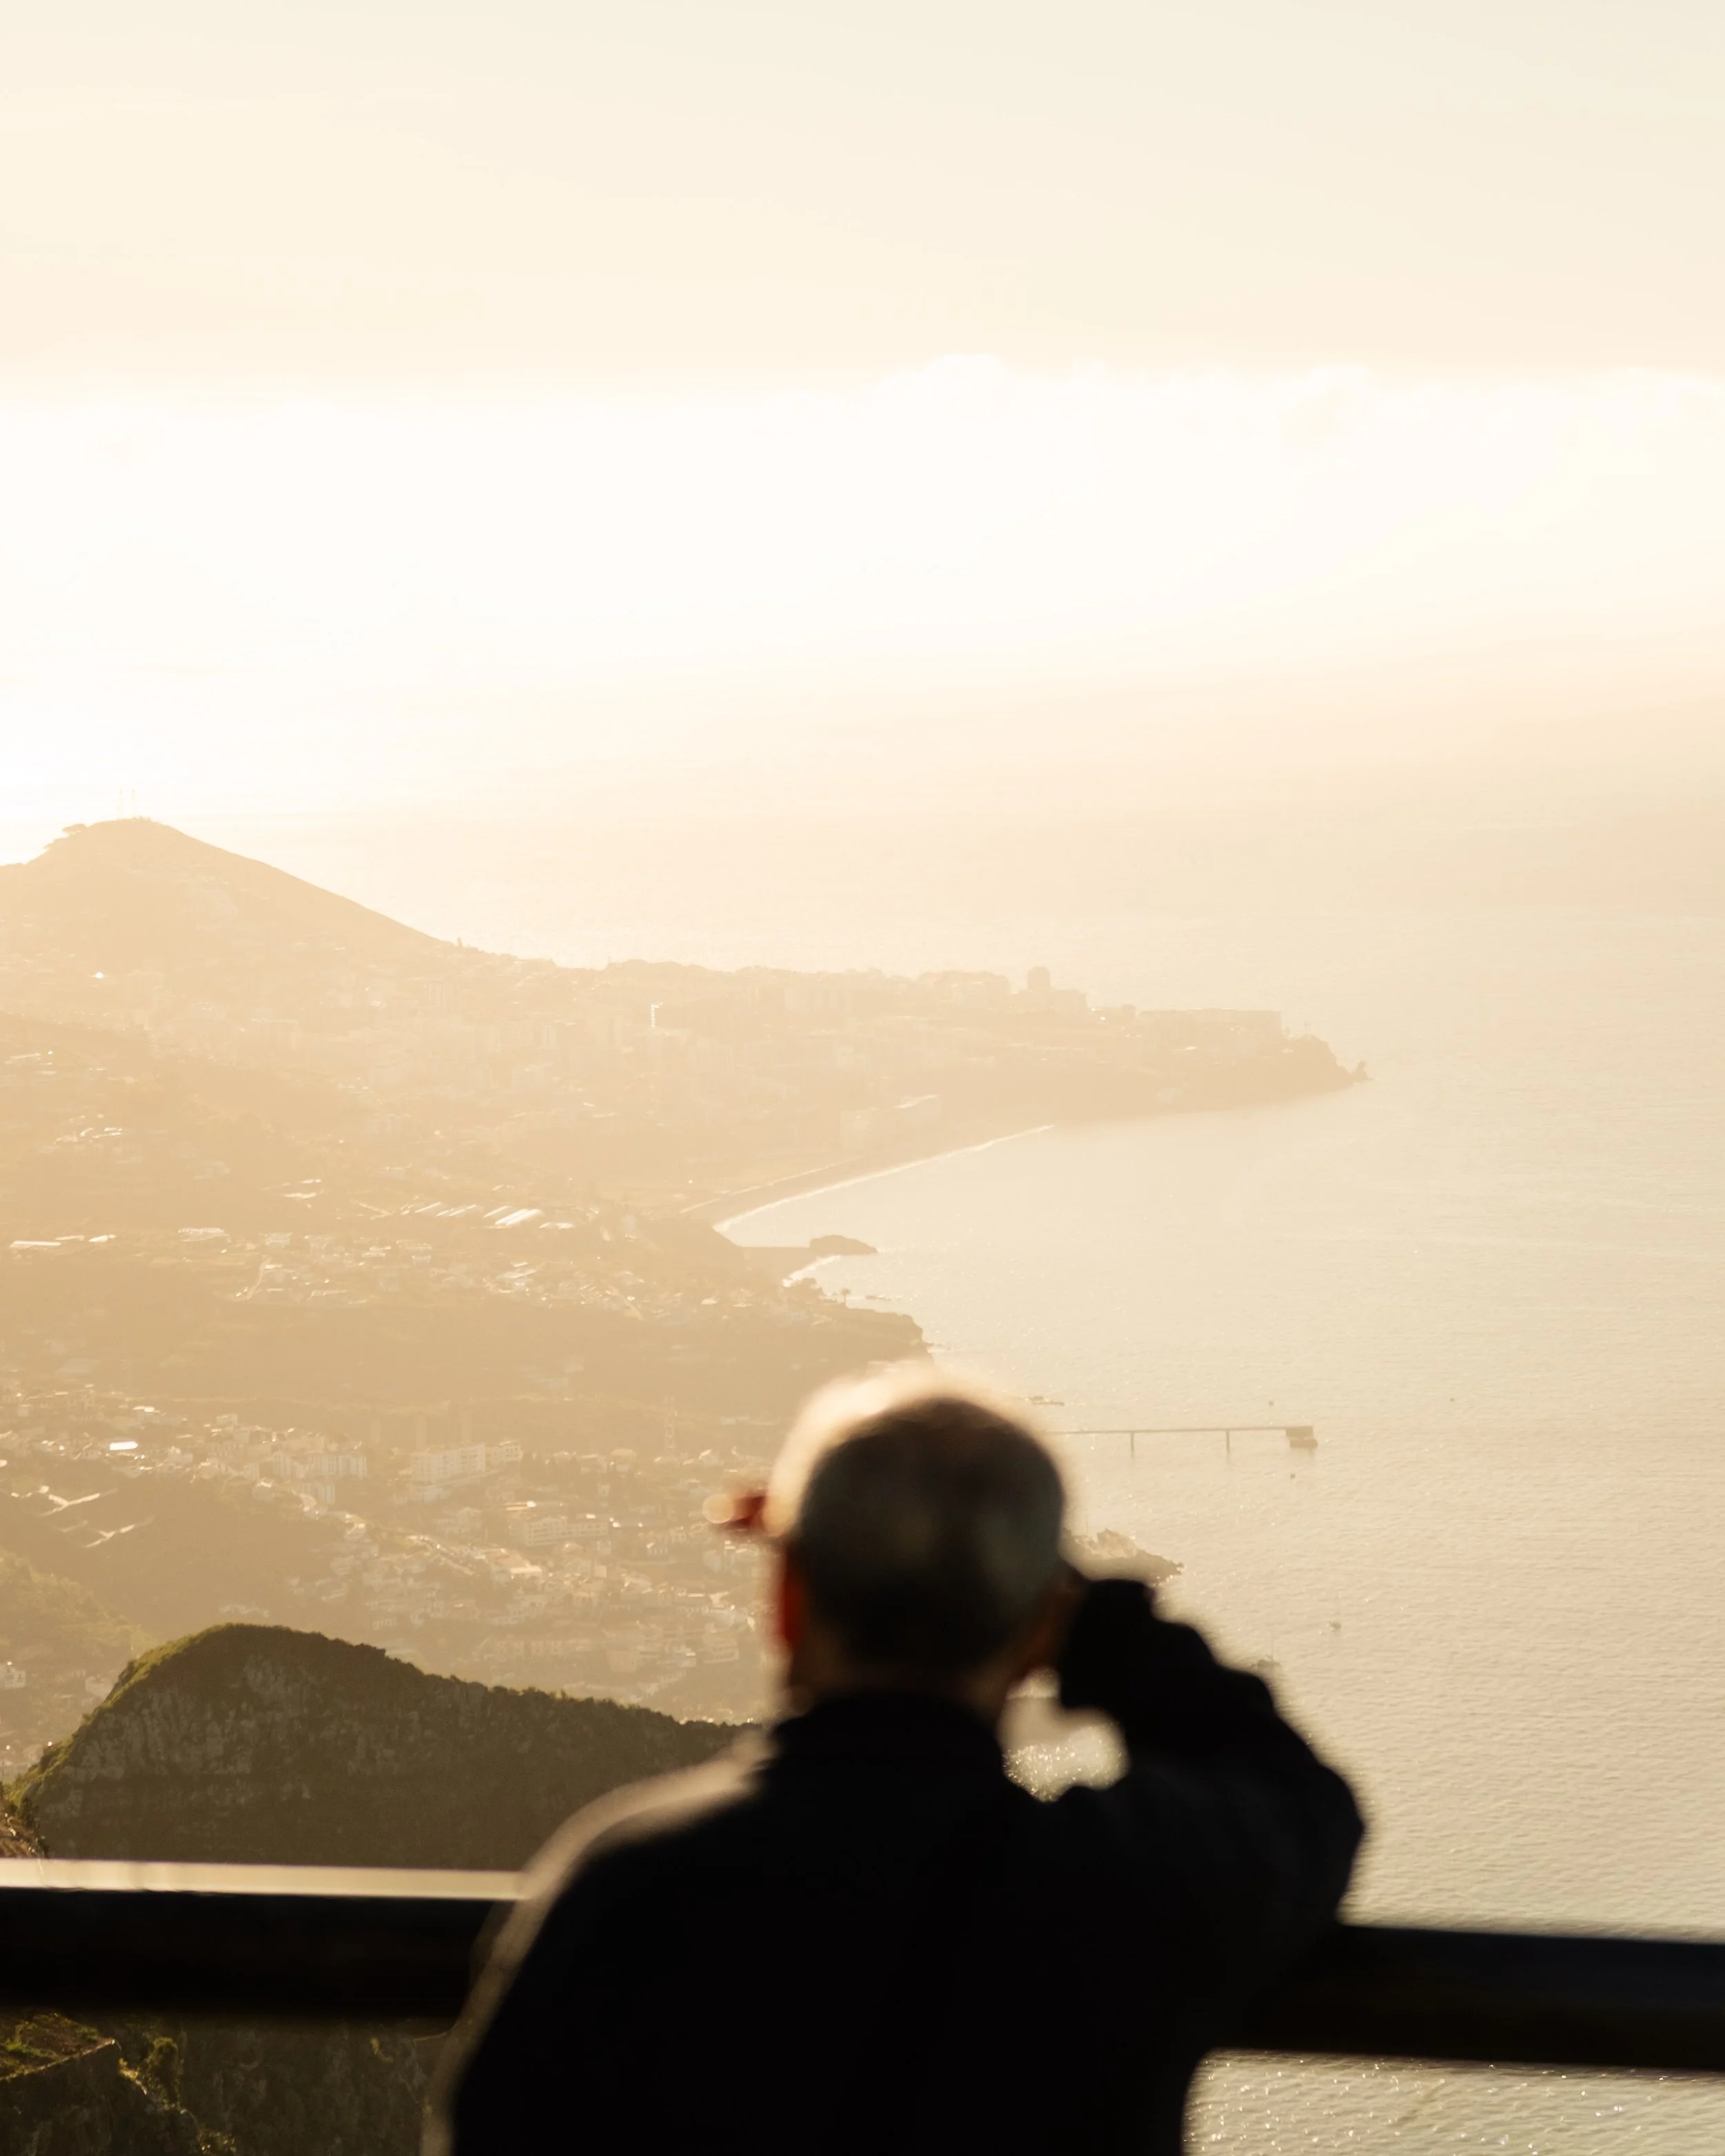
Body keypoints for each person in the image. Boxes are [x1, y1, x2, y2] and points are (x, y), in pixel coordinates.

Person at [427, 1367, 1363, 2155]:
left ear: (786, 1602)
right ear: (1039, 1629)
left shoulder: (624, 1884)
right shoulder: (1123, 1890)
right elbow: (1297, 1796)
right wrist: (1086, 1615)